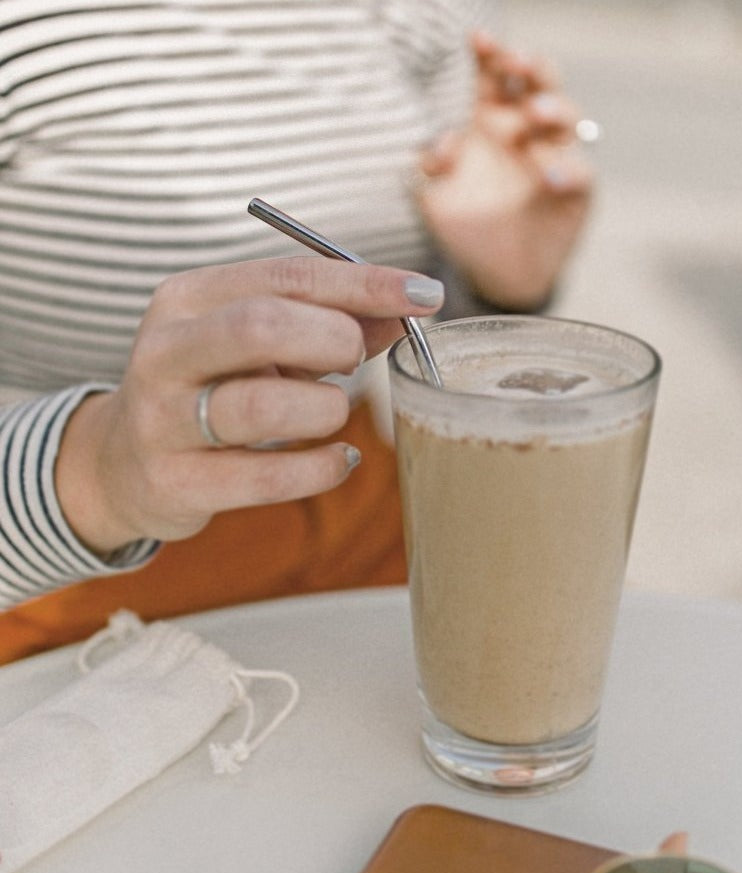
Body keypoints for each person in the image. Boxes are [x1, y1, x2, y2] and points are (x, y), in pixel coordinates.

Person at [0, 1, 591, 662]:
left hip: (369, 522)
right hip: (59, 585)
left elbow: (419, 333)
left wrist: (496, 286)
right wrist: (96, 472)